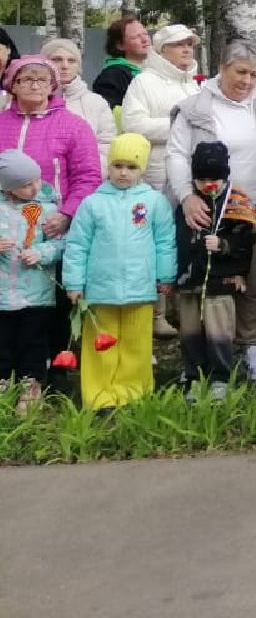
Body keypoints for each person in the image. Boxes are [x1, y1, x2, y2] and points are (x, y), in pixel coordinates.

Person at [167, 41, 256, 382]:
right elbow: (176, 154)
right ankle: (203, 353)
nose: (247, 81)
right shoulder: (194, 108)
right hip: (206, 212)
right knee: (209, 282)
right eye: (240, 72)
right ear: (221, 67)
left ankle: (252, 346)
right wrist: (186, 197)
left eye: (254, 74)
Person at [0, 54, 104, 372]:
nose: (33, 85)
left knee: (51, 299)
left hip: (52, 225)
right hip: (5, 226)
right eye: (25, 79)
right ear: (12, 85)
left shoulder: (73, 126)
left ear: (53, 86)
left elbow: (88, 175)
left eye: (41, 79)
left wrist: (67, 214)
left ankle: (51, 366)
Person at [62, 133, 177, 411]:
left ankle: (133, 393)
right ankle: (99, 396)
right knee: (100, 345)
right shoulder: (92, 203)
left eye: (132, 167)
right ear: (109, 166)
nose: (123, 173)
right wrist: (74, 283)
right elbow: (77, 245)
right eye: (118, 165)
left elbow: (164, 241)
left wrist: (166, 276)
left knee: (136, 346)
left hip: (140, 288)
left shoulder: (154, 202)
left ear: (142, 169)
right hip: (100, 291)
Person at [173, 141, 256, 403]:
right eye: (202, 179)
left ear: (226, 176)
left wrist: (223, 246)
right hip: (190, 281)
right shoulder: (186, 205)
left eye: (215, 179)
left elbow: (247, 244)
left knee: (219, 333)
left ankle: (221, 379)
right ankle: (194, 377)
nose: (208, 184)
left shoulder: (238, 204)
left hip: (221, 283)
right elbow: (175, 240)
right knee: (190, 332)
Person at [0, 150, 64, 415]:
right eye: (26, 184)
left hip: (37, 292)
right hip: (3, 294)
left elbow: (61, 244)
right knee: (3, 341)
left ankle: (32, 383)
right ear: (9, 189)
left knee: (33, 340)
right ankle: (4, 382)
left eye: (36, 180)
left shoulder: (48, 210)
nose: (35, 187)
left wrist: (41, 253)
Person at [120, 23, 200, 200]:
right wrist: (179, 126)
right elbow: (132, 125)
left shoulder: (195, 85)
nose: (186, 49)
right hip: (159, 175)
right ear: (161, 50)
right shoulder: (144, 82)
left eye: (189, 44)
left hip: (196, 173)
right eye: (179, 44)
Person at [43, 38, 116, 162]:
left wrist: (92, 176)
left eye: (71, 61)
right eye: (57, 60)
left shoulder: (97, 103)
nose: (65, 66)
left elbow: (106, 144)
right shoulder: (31, 100)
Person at [92, 16, 151, 110]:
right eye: (136, 37)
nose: (145, 39)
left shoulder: (158, 70)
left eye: (145, 34)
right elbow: (110, 115)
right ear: (120, 45)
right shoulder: (111, 77)